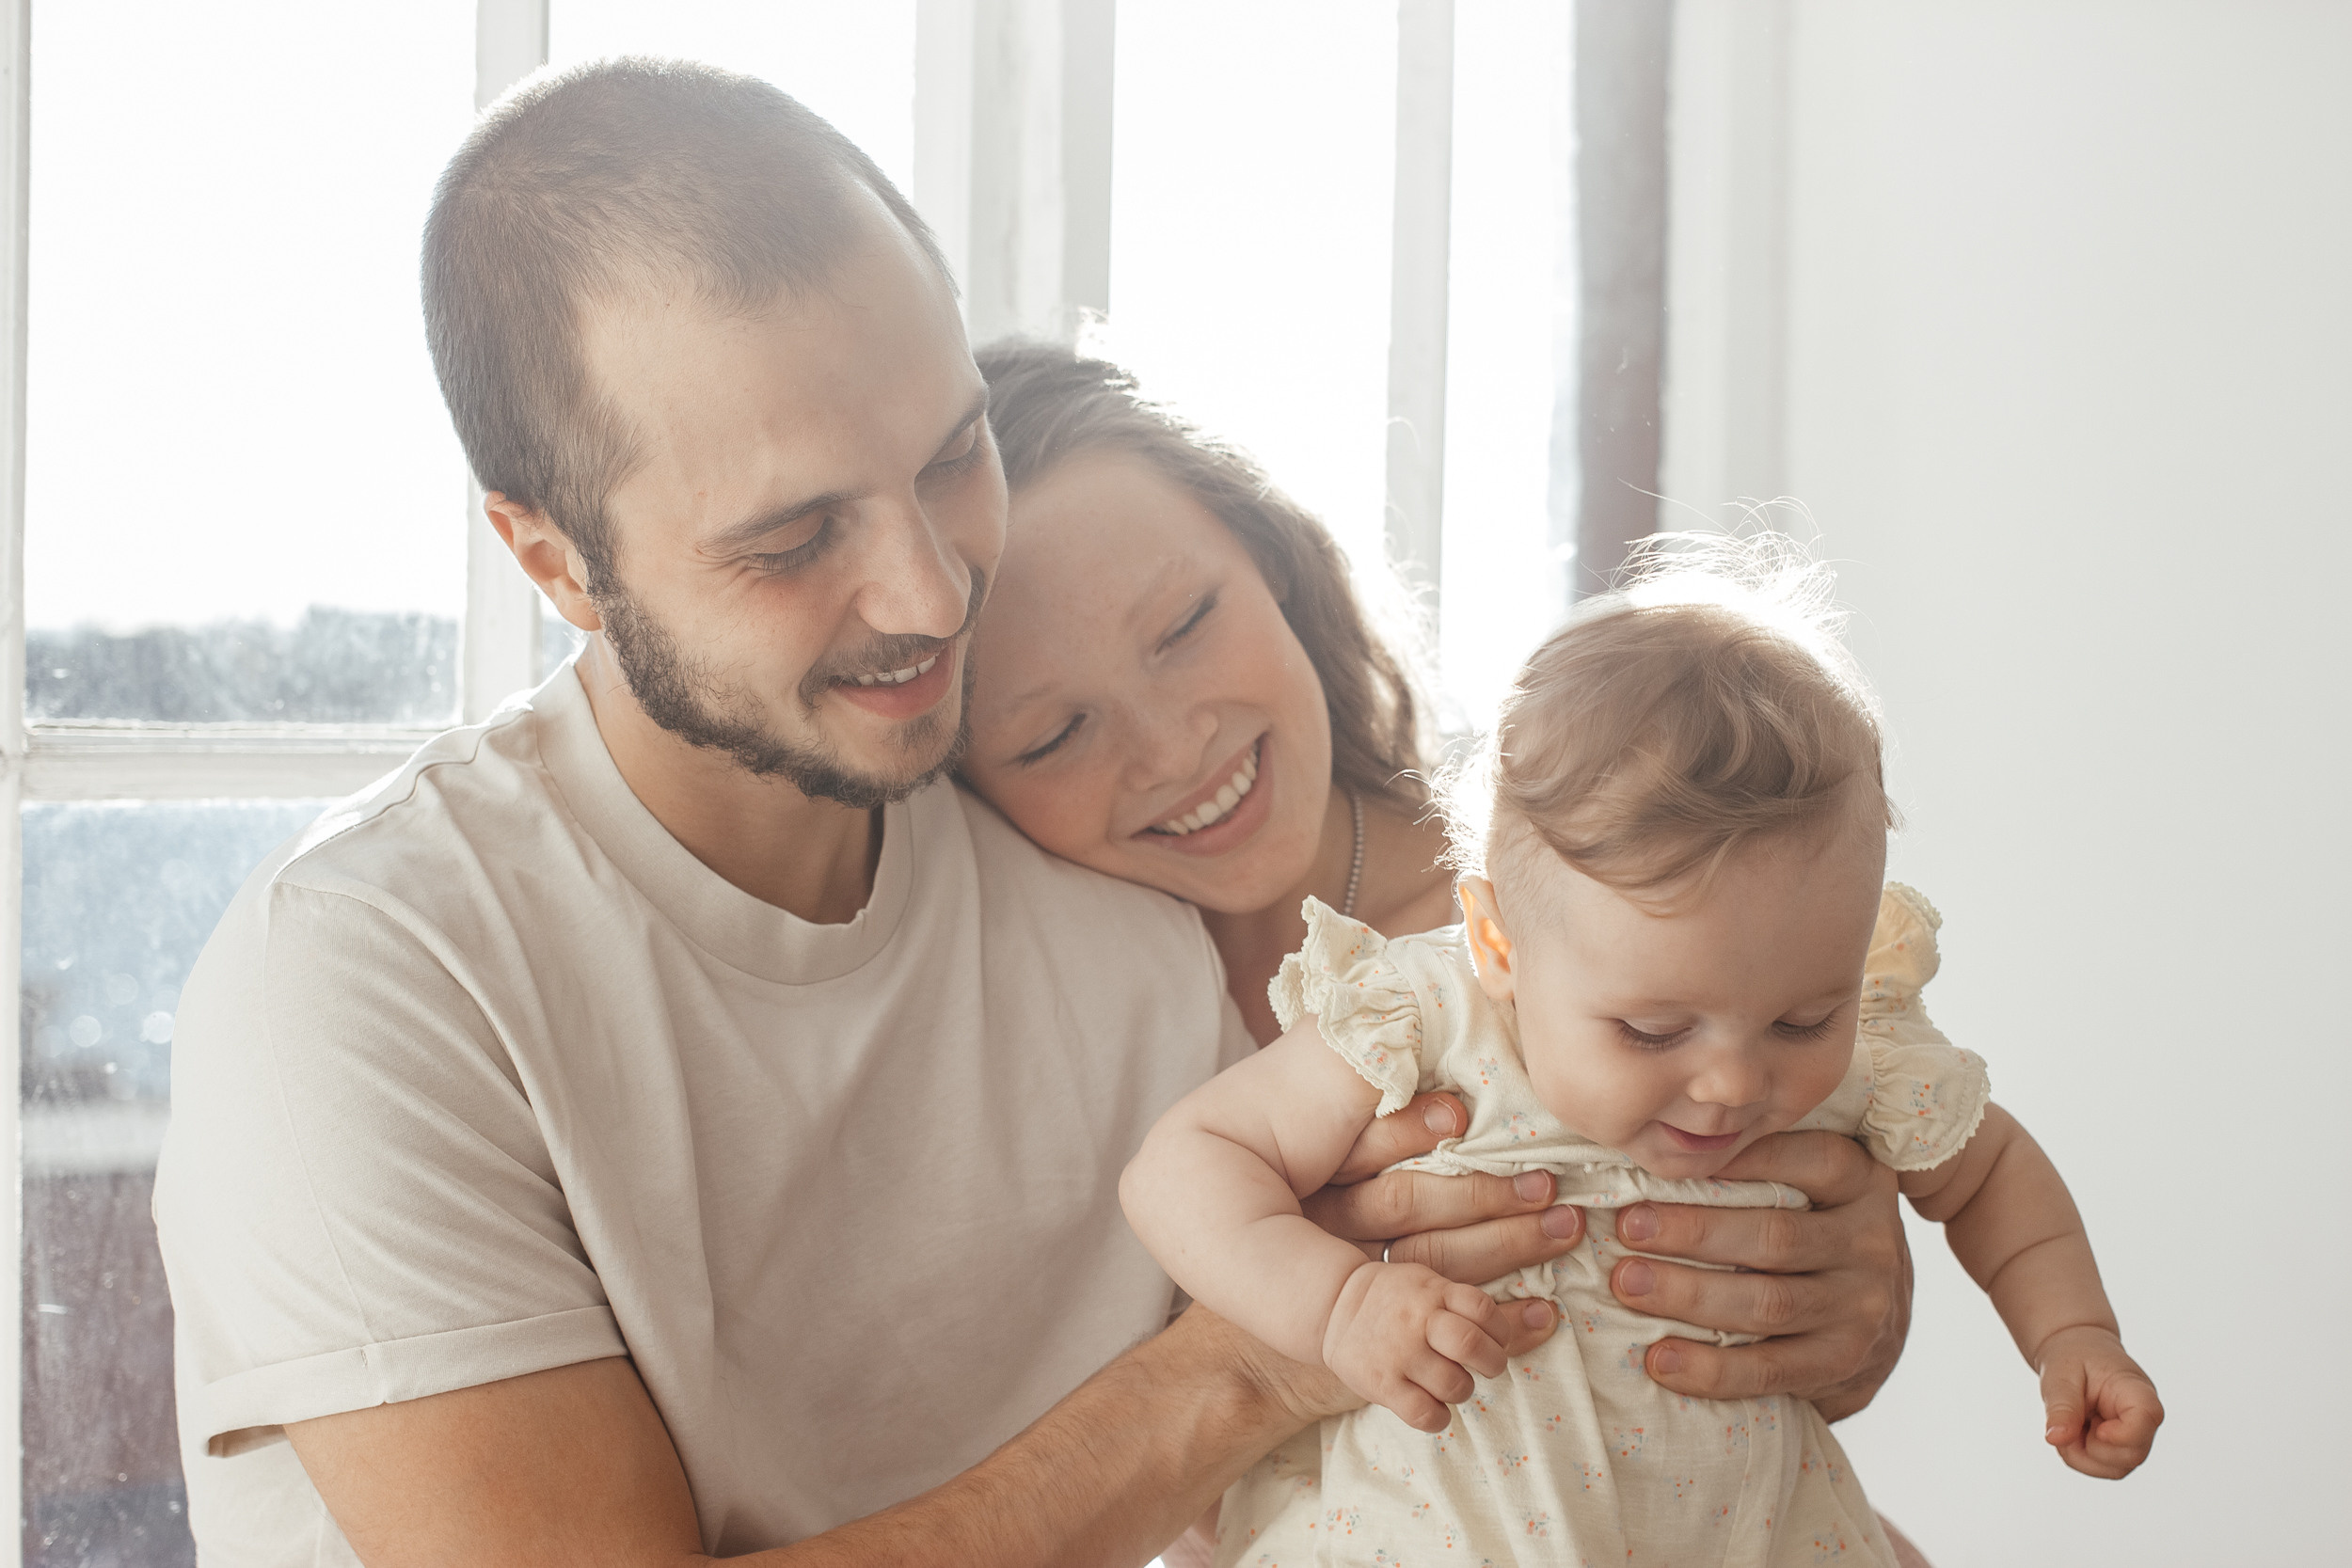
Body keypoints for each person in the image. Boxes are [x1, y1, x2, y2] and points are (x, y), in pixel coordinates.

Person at [151, 61, 1570, 1566]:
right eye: (794, 536)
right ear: (556, 560)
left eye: (954, 457)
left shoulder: (1110, 891)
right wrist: (1247, 1356)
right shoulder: (366, 978)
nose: (932, 590)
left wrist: (1800, 1292)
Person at [1120, 546, 2165, 1565]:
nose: (1734, 1083)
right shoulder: (1429, 1014)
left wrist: (2072, 1332)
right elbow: (1180, 1166)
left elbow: (1990, 1170)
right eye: (1654, 1032)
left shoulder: (1859, 1055)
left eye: (1804, 1017)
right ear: (1499, 946)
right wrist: (1337, 1302)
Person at [961, 342, 1919, 1422]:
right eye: (1051, 736)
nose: (1172, 747)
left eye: (1185, 626)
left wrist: (1855, 1314)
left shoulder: (1580, 908)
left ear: (1275, 559)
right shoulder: (1020, 1048)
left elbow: (1832, 1292)